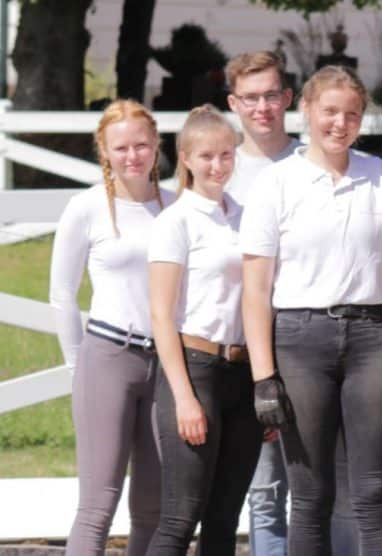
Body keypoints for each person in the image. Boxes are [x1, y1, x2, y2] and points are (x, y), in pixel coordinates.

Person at [239, 65, 382, 555]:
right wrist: (263, 378)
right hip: (300, 342)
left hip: (371, 340)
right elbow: (255, 290)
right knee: (310, 497)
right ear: (306, 110)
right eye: (330, 112)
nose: (340, 123)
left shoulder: (381, 176)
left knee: (374, 495)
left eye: (352, 114)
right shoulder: (276, 184)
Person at [51, 99, 172, 555]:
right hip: (108, 356)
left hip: (166, 363)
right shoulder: (86, 208)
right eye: (121, 147)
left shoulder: (176, 207)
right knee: (98, 504)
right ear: (104, 150)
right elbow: (62, 293)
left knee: (153, 506)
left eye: (141, 145)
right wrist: (76, 366)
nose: (132, 156)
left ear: (156, 144)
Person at [146, 105, 263, 555]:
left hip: (243, 370)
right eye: (207, 156)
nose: (218, 165)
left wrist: (264, 384)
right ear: (186, 159)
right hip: (196, 369)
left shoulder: (247, 217)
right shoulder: (175, 222)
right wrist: (184, 397)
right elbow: (161, 315)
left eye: (226, 155)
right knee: (181, 515)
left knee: (224, 518)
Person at [224, 50, 303, 556]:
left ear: (288, 98)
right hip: (241, 344)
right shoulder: (220, 167)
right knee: (266, 490)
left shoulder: (312, 161)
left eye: (271, 95)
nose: (262, 108)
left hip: (306, 337)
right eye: (250, 98)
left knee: (320, 481)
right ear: (233, 103)